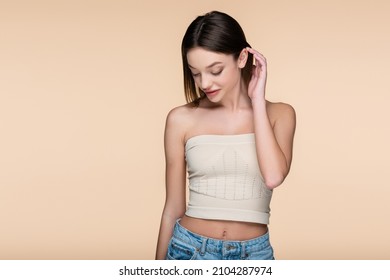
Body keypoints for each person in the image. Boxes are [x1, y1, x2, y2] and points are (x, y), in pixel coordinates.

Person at [155, 11, 296, 260]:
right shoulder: (180, 119)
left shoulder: (279, 114)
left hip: (254, 255)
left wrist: (258, 102)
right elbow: (172, 208)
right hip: (189, 250)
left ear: (242, 58)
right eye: (195, 73)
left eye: (215, 70)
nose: (205, 83)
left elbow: (273, 176)